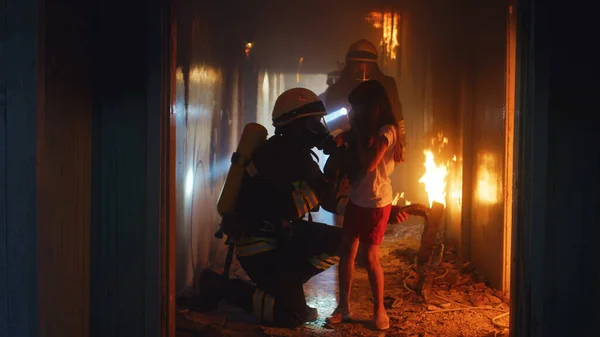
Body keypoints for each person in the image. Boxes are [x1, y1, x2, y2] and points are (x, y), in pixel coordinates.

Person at [190, 88, 350, 329]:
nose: (319, 129)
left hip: (282, 239)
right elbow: (287, 208)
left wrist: (370, 212)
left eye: (319, 122)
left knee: (346, 240)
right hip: (259, 246)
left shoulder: (300, 155)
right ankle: (223, 287)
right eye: (312, 123)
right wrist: (327, 183)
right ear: (294, 125)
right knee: (291, 317)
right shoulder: (273, 155)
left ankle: (287, 285)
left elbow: (329, 199)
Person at [326, 80, 408, 331]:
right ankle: (343, 308)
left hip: (376, 202)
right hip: (356, 199)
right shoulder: (364, 129)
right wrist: (339, 141)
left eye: (355, 107)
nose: (352, 112)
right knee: (346, 252)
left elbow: (370, 164)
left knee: (369, 257)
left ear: (369, 106)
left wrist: (356, 136)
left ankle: (379, 311)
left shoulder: (386, 131)